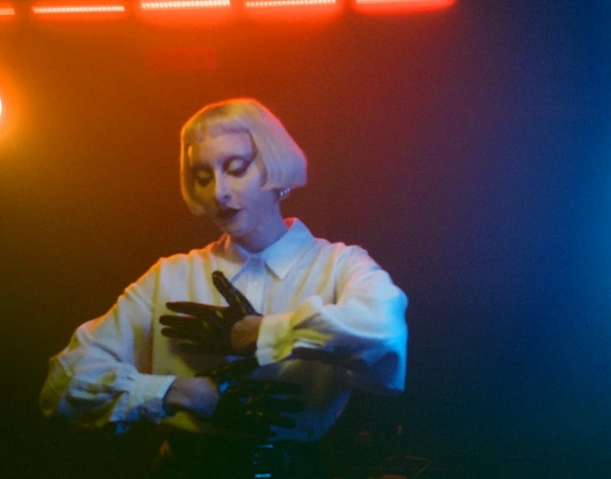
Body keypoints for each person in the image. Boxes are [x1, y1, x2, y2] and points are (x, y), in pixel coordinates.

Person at [39, 98, 408, 478]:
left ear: (275, 166)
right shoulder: (172, 276)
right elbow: (63, 383)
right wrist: (183, 393)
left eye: (236, 169)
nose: (219, 192)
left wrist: (262, 334)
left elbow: (385, 333)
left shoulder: (337, 266)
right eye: (203, 176)